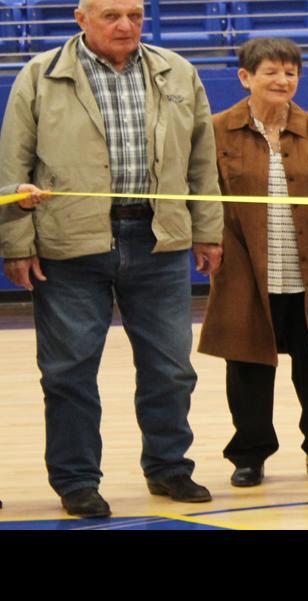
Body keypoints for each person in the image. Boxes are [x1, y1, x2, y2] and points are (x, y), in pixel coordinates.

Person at [0, 0, 223, 519]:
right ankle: (77, 480)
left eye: (135, 15)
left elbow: (201, 159)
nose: (126, 25)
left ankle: (169, 467)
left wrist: (208, 231)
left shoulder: (178, 72)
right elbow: (13, 165)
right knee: (68, 372)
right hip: (67, 245)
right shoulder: (39, 75)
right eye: (111, 15)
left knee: (171, 368)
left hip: (158, 238)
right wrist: (16, 242)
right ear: (81, 19)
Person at [197, 37, 308, 489]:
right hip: (246, 273)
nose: (283, 80)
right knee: (249, 366)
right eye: (271, 71)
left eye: (291, 72)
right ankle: (249, 456)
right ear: (245, 77)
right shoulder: (215, 130)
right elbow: (200, 196)